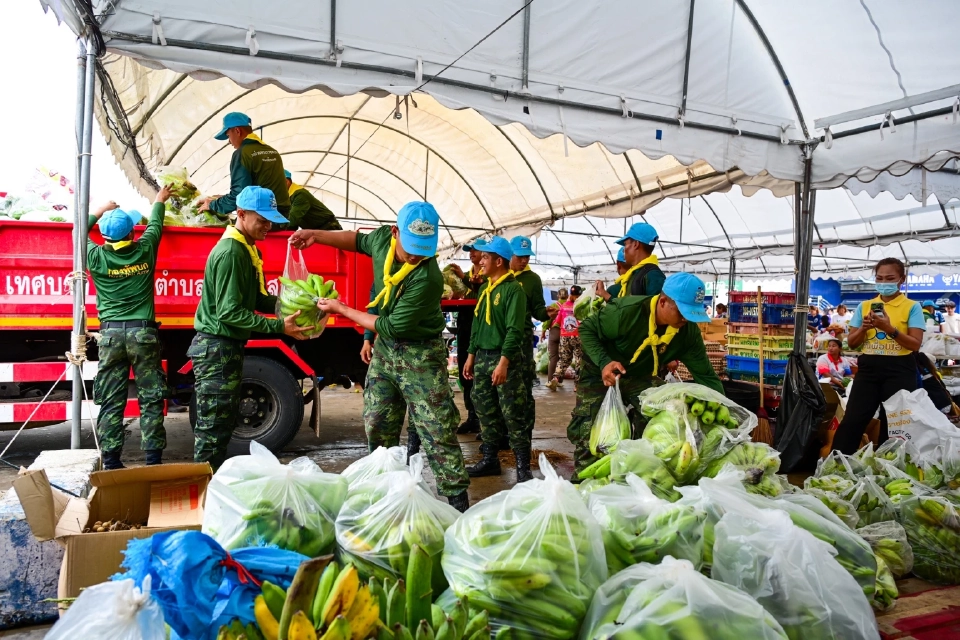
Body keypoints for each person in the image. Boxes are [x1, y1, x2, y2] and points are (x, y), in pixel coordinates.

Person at [292, 202, 471, 512]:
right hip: (386, 350)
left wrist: (342, 309)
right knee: (377, 422)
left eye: (423, 249)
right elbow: (355, 241)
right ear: (394, 232)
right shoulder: (380, 241)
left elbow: (391, 325)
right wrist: (316, 235)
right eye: (411, 247)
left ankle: (459, 505)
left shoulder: (428, 277)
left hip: (420, 355)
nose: (416, 256)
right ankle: (385, 497)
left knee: (437, 430)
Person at [190, 186, 313, 469]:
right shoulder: (232, 253)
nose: (268, 226)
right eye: (262, 220)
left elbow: (256, 299)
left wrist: (293, 305)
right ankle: (201, 489)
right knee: (212, 431)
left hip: (226, 348)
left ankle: (210, 485)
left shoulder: (246, 248)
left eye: (271, 220)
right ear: (241, 214)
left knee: (221, 426)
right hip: (216, 349)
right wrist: (279, 326)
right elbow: (229, 312)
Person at [567, 273, 724, 476]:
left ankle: (639, 474)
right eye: (682, 312)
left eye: (691, 313)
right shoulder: (625, 312)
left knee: (662, 417)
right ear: (663, 302)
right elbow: (587, 329)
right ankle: (582, 482)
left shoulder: (687, 333)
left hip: (640, 374)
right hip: (600, 371)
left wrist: (725, 412)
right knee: (591, 430)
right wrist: (604, 362)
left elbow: (706, 377)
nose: (686, 318)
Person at [87, 188, 172, 469]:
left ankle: (111, 462)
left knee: (112, 400)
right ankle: (153, 462)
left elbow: (77, 233)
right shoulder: (144, 249)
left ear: (104, 236)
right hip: (143, 334)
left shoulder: (96, 257)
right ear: (132, 233)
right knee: (151, 397)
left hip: (110, 336)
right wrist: (159, 200)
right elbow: (156, 224)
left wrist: (100, 210)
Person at [831, 258, 925, 455]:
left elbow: (915, 344)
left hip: (900, 368)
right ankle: (838, 462)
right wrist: (863, 329)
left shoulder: (912, 307)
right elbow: (852, 343)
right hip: (869, 367)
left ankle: (887, 465)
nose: (884, 283)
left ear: (902, 279)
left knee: (894, 423)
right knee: (854, 418)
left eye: (890, 278)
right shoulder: (865, 306)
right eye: (879, 278)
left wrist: (889, 329)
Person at [462, 237, 531, 482]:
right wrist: (471, 356)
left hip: (504, 359)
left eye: (485, 257)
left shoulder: (514, 290)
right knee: (485, 410)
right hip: (483, 357)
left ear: (498, 261)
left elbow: (514, 331)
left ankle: (523, 467)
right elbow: (477, 326)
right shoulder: (484, 289)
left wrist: (504, 363)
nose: (480, 262)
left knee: (513, 412)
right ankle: (490, 460)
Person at [198, 112, 290, 218]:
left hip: (261, 218)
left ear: (237, 131)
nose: (229, 142)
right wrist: (221, 198)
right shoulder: (272, 151)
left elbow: (238, 196)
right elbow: (260, 188)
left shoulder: (242, 154)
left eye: (228, 136)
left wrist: (212, 204)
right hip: (281, 216)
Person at [509, 235, 550, 438]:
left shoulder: (532, 279)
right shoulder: (500, 275)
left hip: (522, 337)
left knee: (523, 385)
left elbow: (538, 310)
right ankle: (501, 432)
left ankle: (523, 433)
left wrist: (547, 314)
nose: (524, 260)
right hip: (500, 338)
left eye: (527, 256)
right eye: (520, 256)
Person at [446, 245, 485, 434]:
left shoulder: (487, 275)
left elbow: (482, 294)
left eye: (475, 250)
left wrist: (465, 279)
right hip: (464, 327)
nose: (472, 254)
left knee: (480, 374)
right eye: (470, 251)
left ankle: (484, 419)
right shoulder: (467, 274)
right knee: (465, 373)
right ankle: (472, 416)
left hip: (480, 329)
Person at [610, 222, 665, 298]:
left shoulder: (653, 276)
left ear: (636, 244)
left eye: (625, 244)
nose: (624, 250)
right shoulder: (635, 274)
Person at [275, 170, 341, 231]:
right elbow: (292, 224)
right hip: (315, 230)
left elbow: (292, 220)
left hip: (328, 228)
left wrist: (275, 227)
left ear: (286, 182)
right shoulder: (287, 198)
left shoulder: (300, 195)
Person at [546, 285, 584, 390]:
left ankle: (555, 378)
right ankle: (577, 385)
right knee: (579, 360)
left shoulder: (563, 306)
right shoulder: (581, 306)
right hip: (577, 336)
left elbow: (557, 321)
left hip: (564, 336)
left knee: (563, 359)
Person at [545, 288, 568, 381]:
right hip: (566, 332)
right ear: (567, 296)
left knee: (553, 357)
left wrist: (543, 331)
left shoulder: (554, 305)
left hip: (555, 331)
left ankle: (550, 380)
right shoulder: (570, 305)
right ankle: (559, 380)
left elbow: (547, 320)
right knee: (563, 357)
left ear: (558, 295)